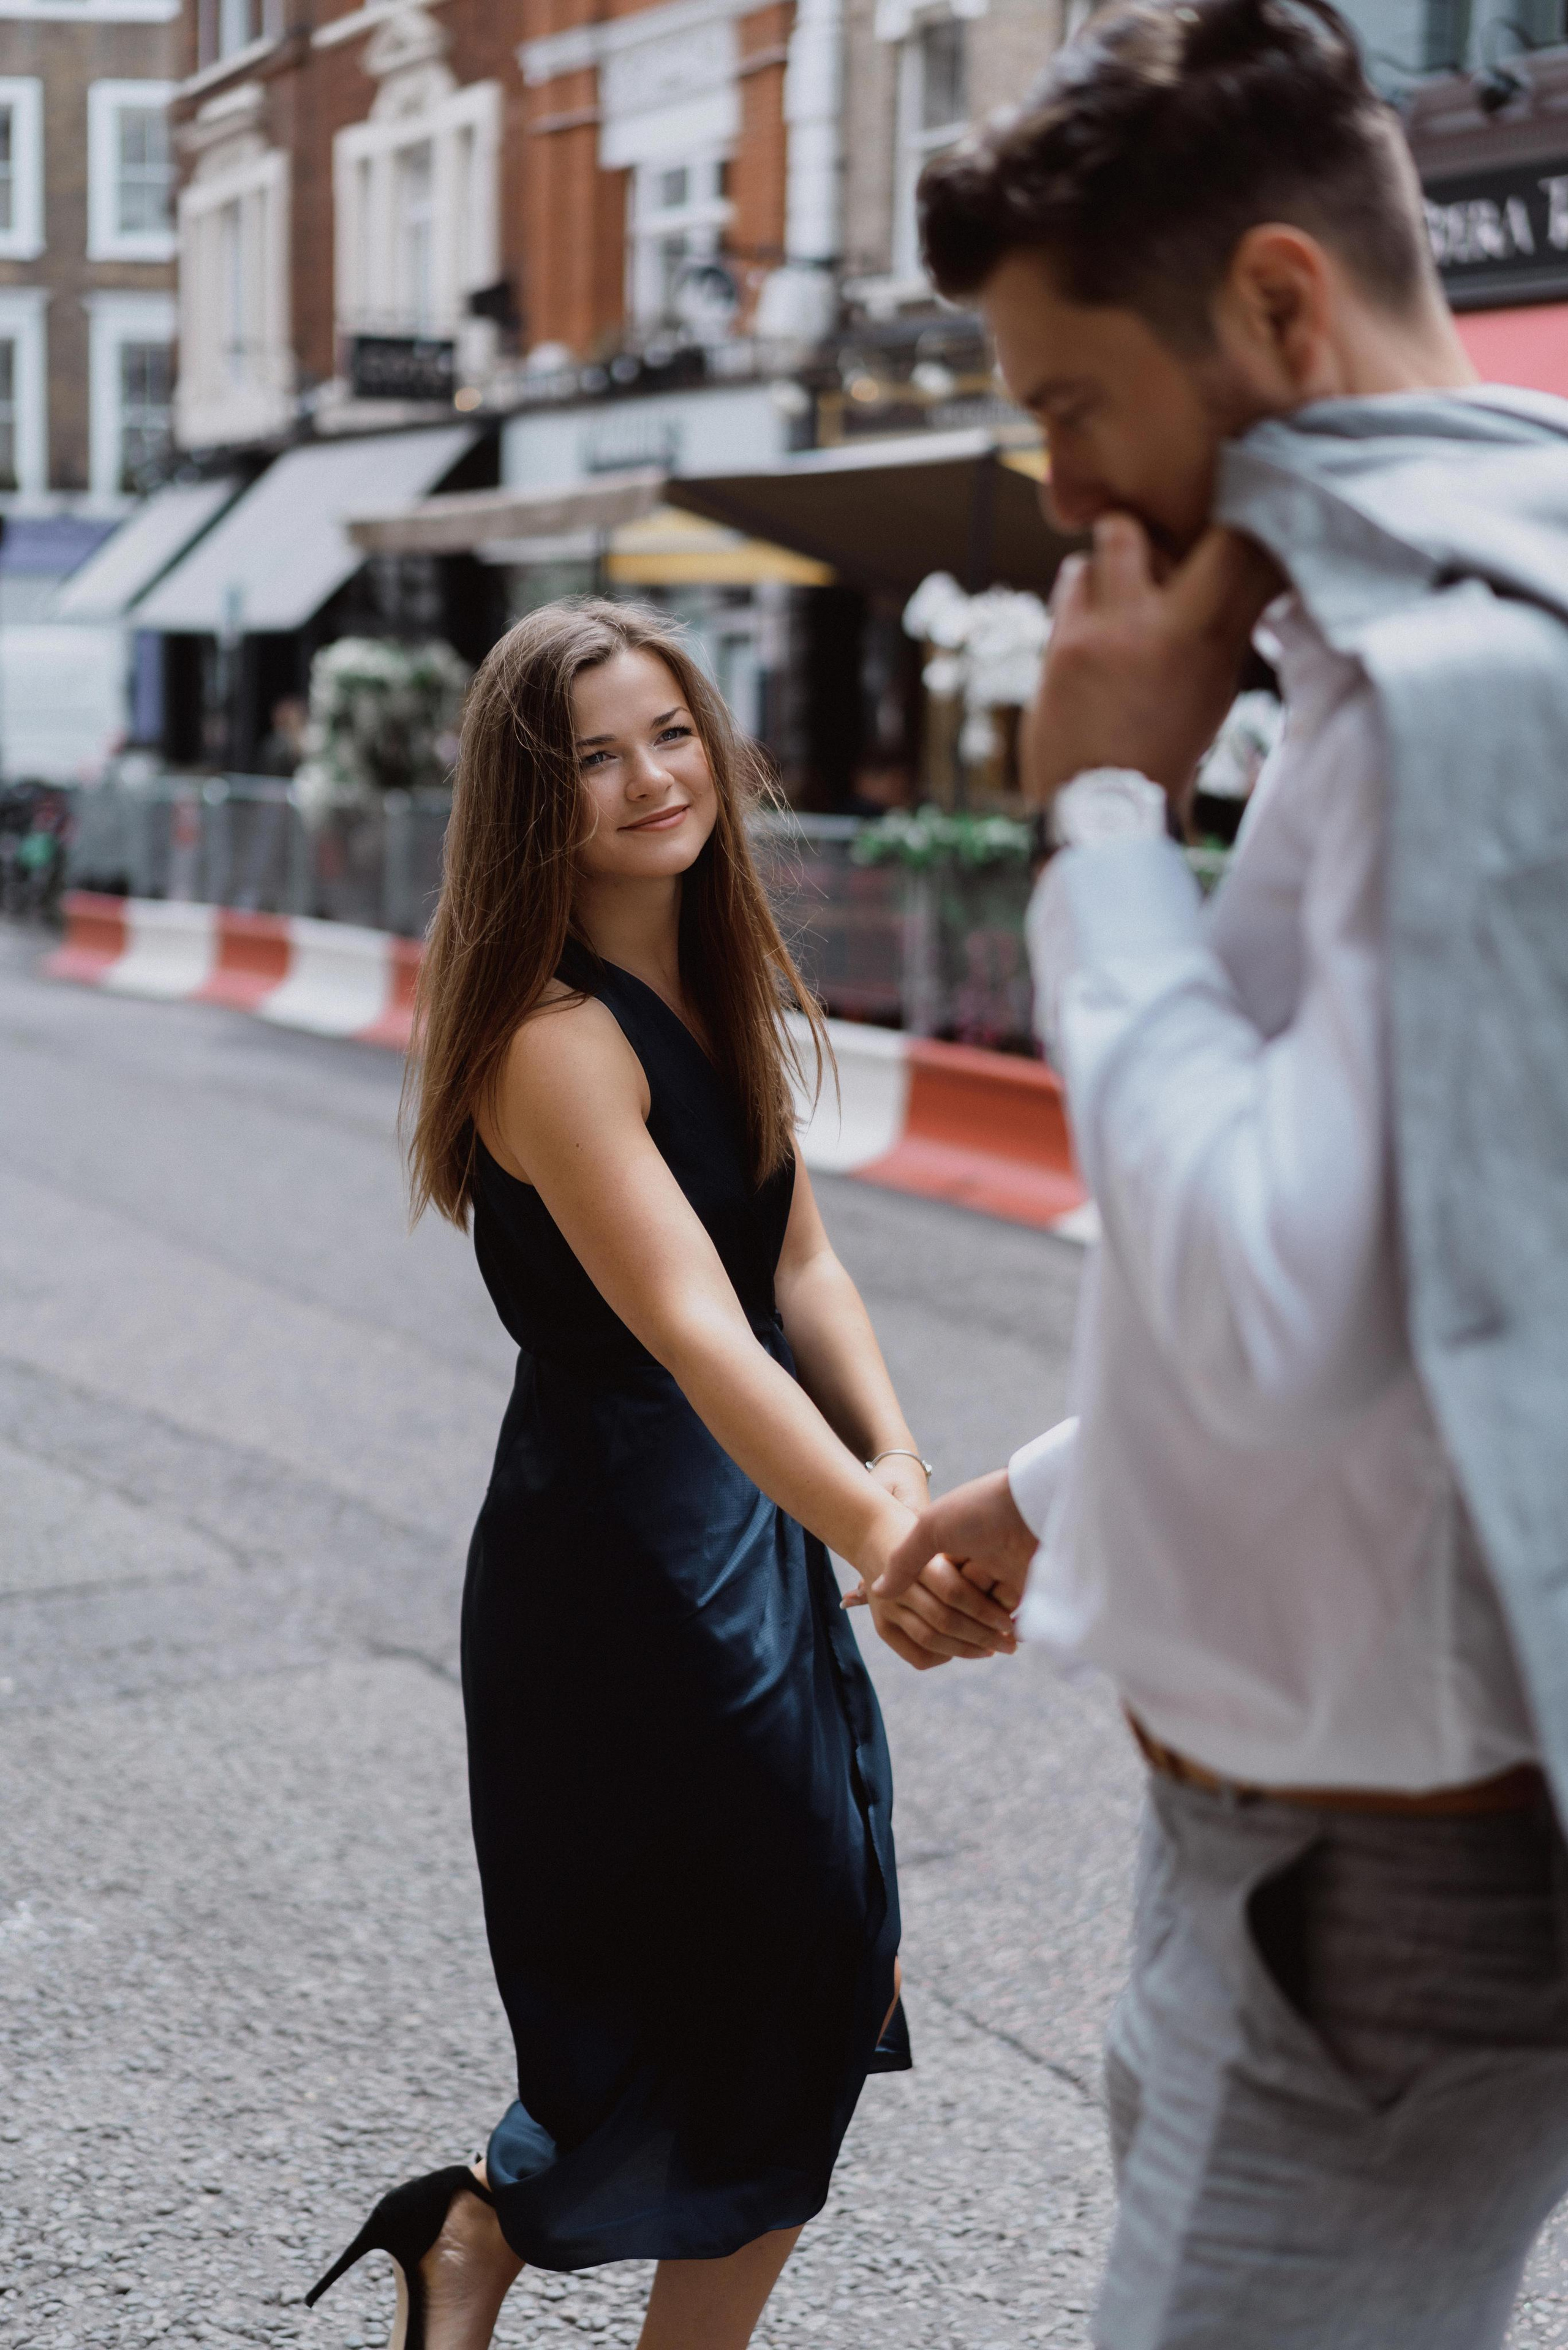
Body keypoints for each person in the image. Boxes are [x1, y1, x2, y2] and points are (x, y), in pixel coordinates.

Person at [878, 2, 1568, 2343]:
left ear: (1281, 304)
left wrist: (1095, 826)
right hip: (1273, 1835)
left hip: (1380, 1886)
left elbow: (1284, 1307)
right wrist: (1065, 1488)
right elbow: (1452, 1241)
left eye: (1073, 406)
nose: (1062, 493)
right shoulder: (1441, 633)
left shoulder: (1470, 692)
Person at [304, 600, 1017, 2350]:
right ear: (528, 802)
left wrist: (901, 1479)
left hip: (750, 1526)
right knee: (788, 1979)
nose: (649, 780)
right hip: (624, 1565)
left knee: (817, 1979)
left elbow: (799, 1270)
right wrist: (885, 1538)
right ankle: (486, 2224)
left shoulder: (721, 975)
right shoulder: (551, 1036)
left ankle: (473, 2234)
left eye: (671, 732)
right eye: (595, 756)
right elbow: (699, 1336)